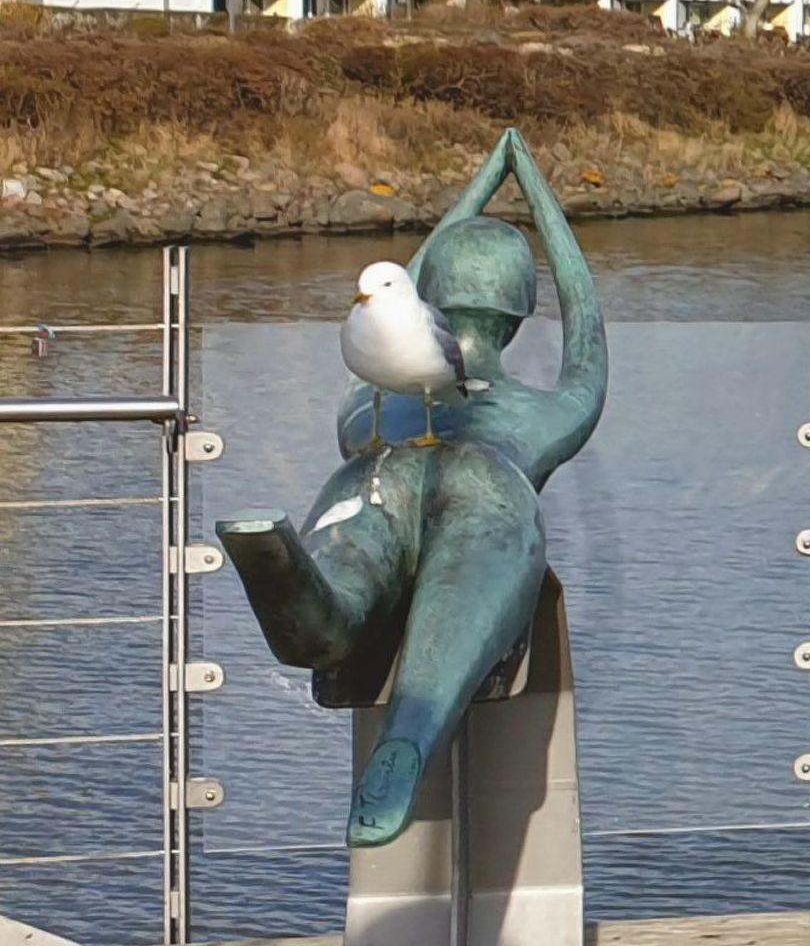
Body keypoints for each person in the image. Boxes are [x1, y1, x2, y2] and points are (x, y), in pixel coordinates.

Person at [215, 128, 606, 846]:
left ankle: (304, 596)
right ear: (519, 313)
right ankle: (412, 734)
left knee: (350, 557)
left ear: (429, 294)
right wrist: (537, 193)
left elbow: (400, 276)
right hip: (487, 485)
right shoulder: (547, 409)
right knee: (467, 585)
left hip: (371, 475)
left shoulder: (371, 390)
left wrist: (481, 185)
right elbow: (586, 329)